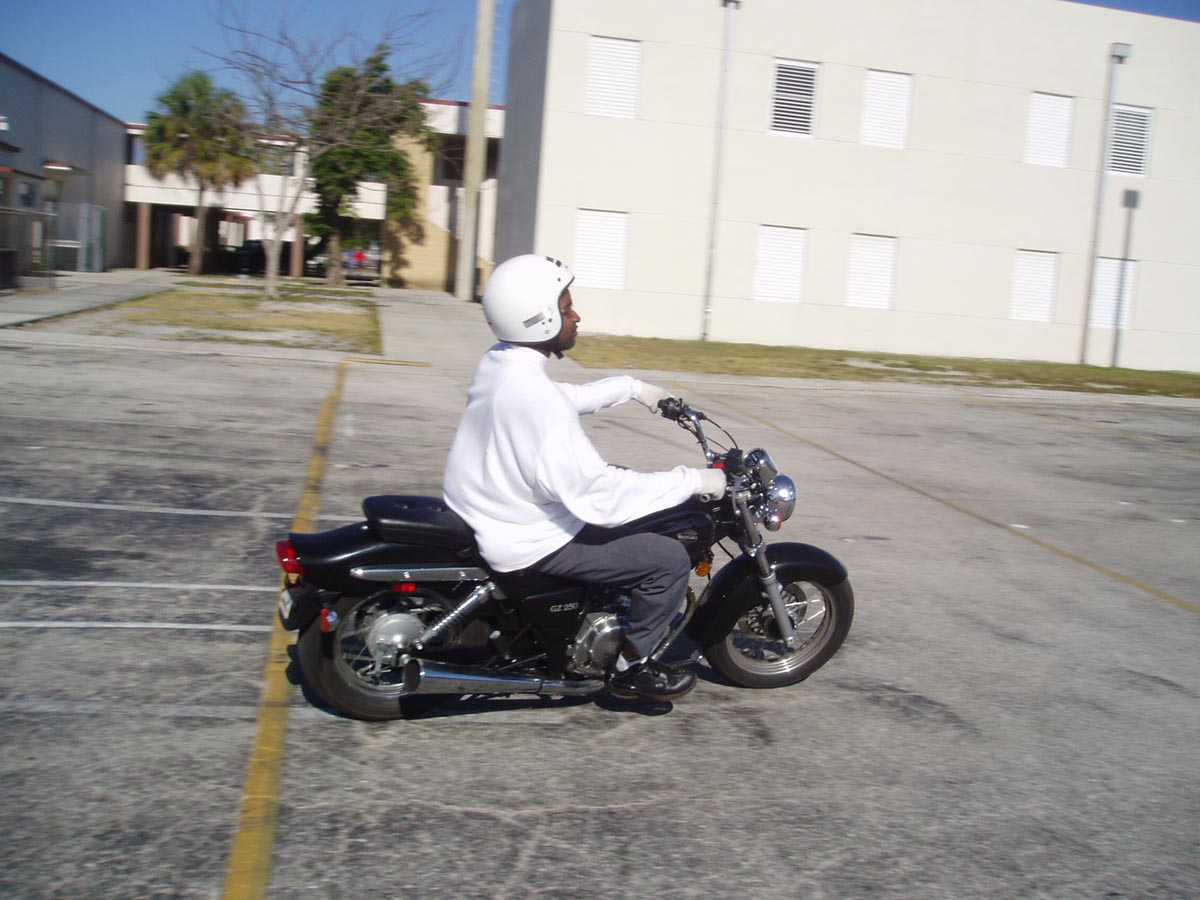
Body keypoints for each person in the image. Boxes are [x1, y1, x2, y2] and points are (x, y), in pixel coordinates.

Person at [442, 254, 726, 701]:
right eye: (567, 308)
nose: (576, 317)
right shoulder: (537, 401)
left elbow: (565, 397)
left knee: (630, 493)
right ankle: (634, 666)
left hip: (491, 508)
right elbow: (599, 498)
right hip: (527, 537)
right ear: (539, 318)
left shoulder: (502, 363)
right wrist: (696, 481)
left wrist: (633, 388)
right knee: (667, 558)